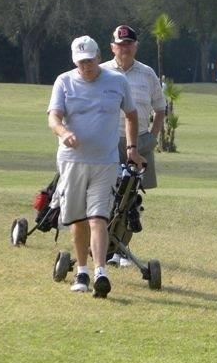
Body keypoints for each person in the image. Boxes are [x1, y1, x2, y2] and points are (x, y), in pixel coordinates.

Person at [47, 35, 145, 298]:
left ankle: (101, 272)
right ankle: (82, 272)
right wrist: (63, 132)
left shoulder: (117, 81)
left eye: (90, 61)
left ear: (99, 58)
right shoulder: (64, 81)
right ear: (74, 61)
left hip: (105, 162)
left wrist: (132, 148)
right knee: (78, 220)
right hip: (72, 161)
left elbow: (131, 115)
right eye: (81, 62)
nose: (86, 66)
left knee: (98, 218)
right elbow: (54, 117)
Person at [100, 24, 166, 268]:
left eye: (128, 44)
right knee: (105, 195)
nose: (124, 48)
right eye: (120, 44)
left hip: (138, 143)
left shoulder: (147, 74)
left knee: (130, 199)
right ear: (112, 47)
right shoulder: (101, 71)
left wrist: (152, 137)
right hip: (106, 142)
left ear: (135, 47)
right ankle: (103, 247)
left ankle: (121, 250)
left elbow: (160, 108)